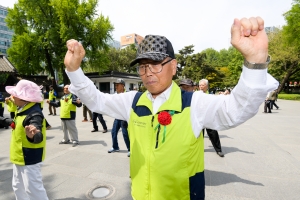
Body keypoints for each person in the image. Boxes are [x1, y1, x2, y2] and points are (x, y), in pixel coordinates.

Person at [64, 17, 278, 200]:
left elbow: (236, 110)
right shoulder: (133, 101)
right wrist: (74, 70)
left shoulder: (193, 103)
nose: (147, 72)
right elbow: (96, 101)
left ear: (173, 67)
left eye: (155, 64)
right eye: (142, 66)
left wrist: (255, 63)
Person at [3, 80, 48, 199]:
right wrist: (4, 121)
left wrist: (32, 136)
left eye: (15, 94)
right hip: (20, 156)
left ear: (24, 98)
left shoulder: (34, 114)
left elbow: (38, 135)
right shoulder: (23, 108)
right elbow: (16, 123)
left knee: (33, 189)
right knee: (18, 186)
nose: (12, 96)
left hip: (30, 157)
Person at [199, 79, 224, 157]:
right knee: (199, 134)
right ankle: (198, 150)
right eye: (200, 85)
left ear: (206, 86)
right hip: (199, 118)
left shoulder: (210, 95)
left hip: (209, 118)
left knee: (213, 133)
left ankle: (218, 150)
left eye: (202, 85)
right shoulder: (196, 94)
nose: (201, 87)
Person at [107, 79, 130, 157]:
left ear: (122, 86)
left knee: (125, 134)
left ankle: (130, 149)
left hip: (124, 118)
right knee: (113, 132)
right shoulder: (115, 95)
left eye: (118, 85)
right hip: (117, 117)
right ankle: (115, 147)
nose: (116, 86)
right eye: (115, 85)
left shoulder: (127, 95)